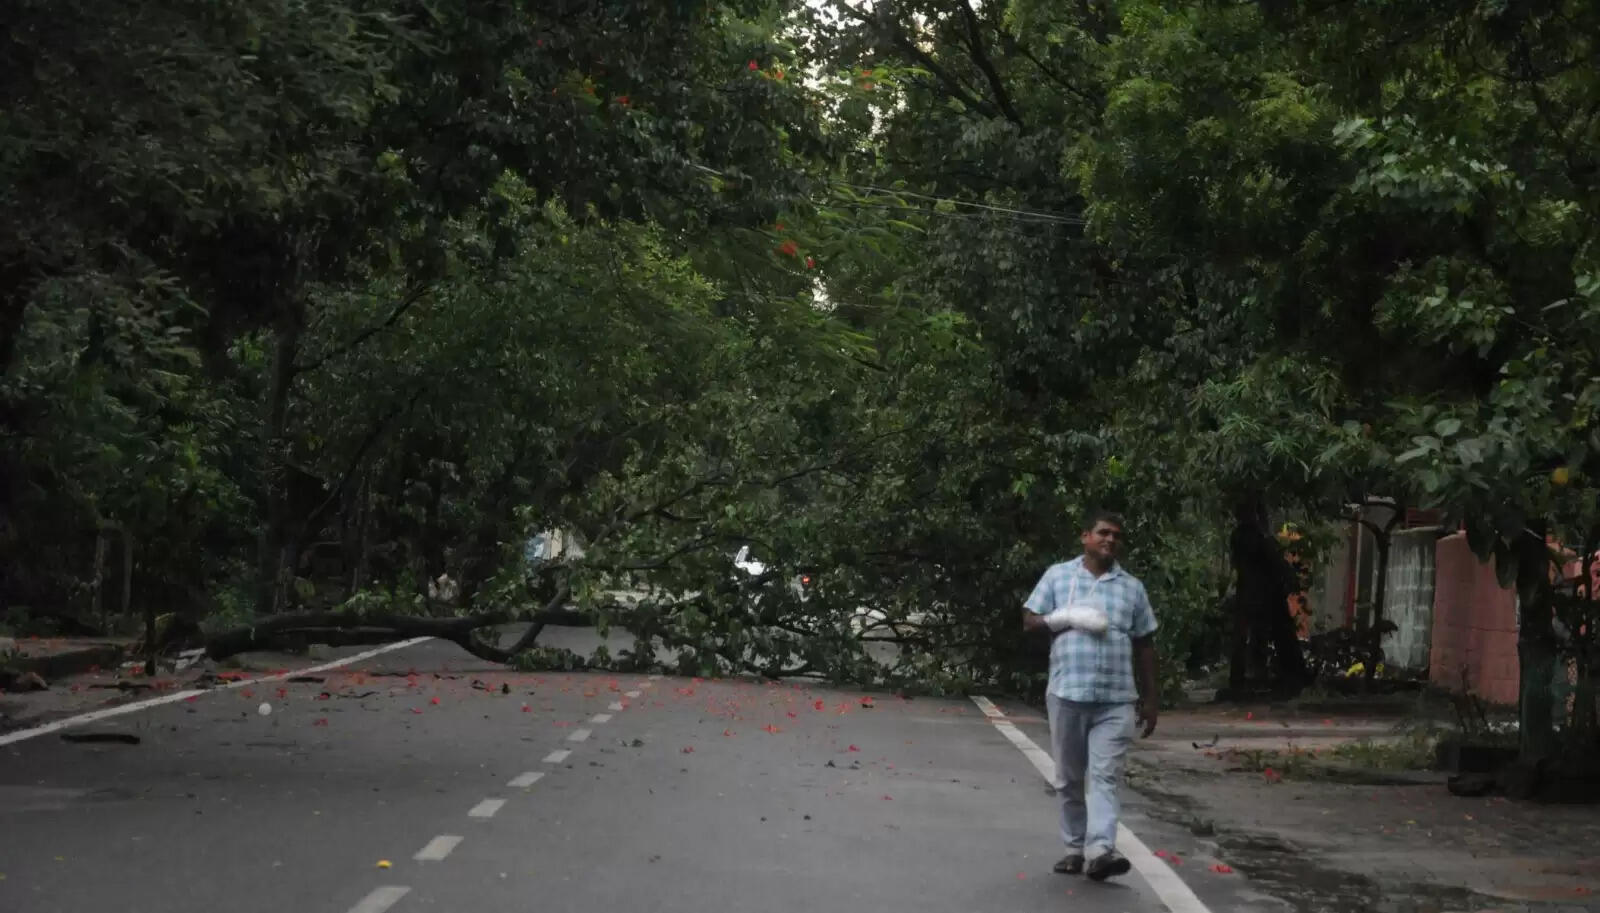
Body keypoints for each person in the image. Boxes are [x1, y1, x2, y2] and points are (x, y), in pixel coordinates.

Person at [1022, 510, 1159, 881]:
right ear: (1086, 536)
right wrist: (1064, 617)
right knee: (1068, 778)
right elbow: (1029, 619)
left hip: (1116, 699)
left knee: (1104, 776)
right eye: (1103, 532)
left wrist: (1151, 699)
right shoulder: (1058, 576)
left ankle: (1100, 851)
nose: (1110, 539)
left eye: (1116, 535)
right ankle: (1073, 848)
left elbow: (1145, 643)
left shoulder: (1132, 588)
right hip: (1067, 693)